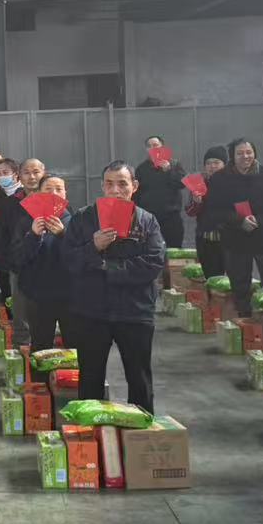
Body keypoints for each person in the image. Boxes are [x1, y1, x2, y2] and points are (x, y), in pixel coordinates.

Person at [62, 162, 166, 413]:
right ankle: (90, 431)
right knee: (90, 376)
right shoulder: (84, 218)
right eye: (109, 184)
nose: (115, 190)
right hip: (92, 311)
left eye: (122, 184)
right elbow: (68, 260)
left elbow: (153, 262)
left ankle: (141, 428)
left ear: (134, 186)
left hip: (135, 311)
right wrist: (93, 247)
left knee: (139, 377)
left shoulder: (146, 220)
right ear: (102, 186)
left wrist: (105, 266)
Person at [202, 139, 263, 316]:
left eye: (249, 152)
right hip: (235, 238)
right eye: (240, 153)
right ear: (232, 156)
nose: (245, 156)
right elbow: (215, 210)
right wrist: (239, 220)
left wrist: (260, 220)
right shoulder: (220, 179)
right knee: (240, 286)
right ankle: (244, 320)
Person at [14, 174, 73, 354]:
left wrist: (63, 235)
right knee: (40, 346)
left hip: (70, 294)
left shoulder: (76, 220)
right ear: (39, 193)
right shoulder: (26, 220)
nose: (54, 193)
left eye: (58, 189)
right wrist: (33, 236)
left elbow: (81, 256)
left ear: (65, 193)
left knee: (74, 345)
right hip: (38, 294)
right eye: (48, 189)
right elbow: (18, 258)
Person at [0, 159, 28, 321]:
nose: (1, 176)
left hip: (22, 253)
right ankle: (10, 323)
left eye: (5, 173)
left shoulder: (24, 197)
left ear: (16, 175)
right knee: (5, 291)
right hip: (1, 252)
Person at [134, 136, 188, 250]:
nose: (152, 148)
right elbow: (136, 194)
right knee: (150, 249)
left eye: (155, 145)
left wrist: (169, 170)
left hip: (171, 217)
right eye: (149, 146)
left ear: (162, 147)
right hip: (149, 218)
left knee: (174, 249)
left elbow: (182, 183)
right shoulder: (141, 169)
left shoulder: (174, 164)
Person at [186, 146, 228, 281]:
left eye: (216, 162)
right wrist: (197, 202)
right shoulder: (198, 182)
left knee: (233, 276)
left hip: (229, 236)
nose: (212, 166)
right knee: (211, 276)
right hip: (205, 236)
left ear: (224, 164)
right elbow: (190, 212)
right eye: (208, 163)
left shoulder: (232, 182)